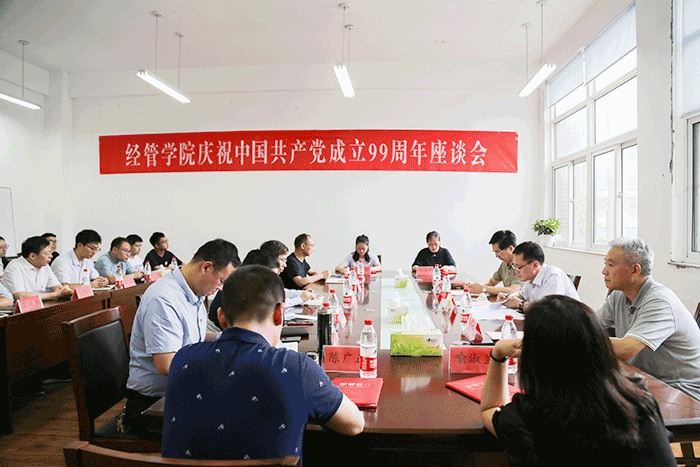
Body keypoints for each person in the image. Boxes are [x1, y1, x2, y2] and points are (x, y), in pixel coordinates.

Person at [161, 265, 364, 460]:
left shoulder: (182, 359)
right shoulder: (296, 367)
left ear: (221, 317)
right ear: (278, 313)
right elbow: (354, 424)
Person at [480, 295, 675, 466]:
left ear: (534, 357)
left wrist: (498, 353)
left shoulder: (530, 417)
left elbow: (490, 409)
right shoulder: (639, 398)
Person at [124, 239, 239, 432]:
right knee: (231, 425)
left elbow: (193, 335)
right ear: (206, 267)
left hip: (180, 392)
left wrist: (228, 339)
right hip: (151, 406)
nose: (220, 288)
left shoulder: (194, 292)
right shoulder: (164, 298)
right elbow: (167, 365)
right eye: (221, 281)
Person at [598, 238, 700, 402]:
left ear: (635, 270)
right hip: (645, 380)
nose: (604, 271)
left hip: (681, 392)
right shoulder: (619, 295)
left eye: (611, 265)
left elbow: (626, 348)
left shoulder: (660, 301)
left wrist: (578, 338)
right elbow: (591, 326)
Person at [208, 249, 320, 330]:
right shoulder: (241, 285)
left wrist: (301, 294)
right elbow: (267, 306)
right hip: (216, 331)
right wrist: (299, 299)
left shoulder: (251, 280)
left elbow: (278, 293)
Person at [500, 241, 579, 312]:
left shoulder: (554, 276)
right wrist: (508, 297)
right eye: (514, 267)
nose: (516, 271)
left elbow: (548, 310)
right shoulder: (531, 277)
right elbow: (522, 295)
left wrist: (521, 304)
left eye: (519, 267)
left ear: (535, 265)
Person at [1, 236, 72, 300]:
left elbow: (56, 287)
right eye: (47, 253)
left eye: (51, 253)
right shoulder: (14, 267)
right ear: (32, 256)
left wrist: (64, 291)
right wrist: (54, 295)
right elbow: (20, 296)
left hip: (39, 305)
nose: (51, 256)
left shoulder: (44, 265)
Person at [260, 240, 320, 306]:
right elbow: (273, 304)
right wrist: (300, 299)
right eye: (282, 260)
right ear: (271, 260)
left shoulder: (271, 276)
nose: (285, 265)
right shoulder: (260, 278)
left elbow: (281, 292)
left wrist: (302, 293)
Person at [467, 230, 523, 296]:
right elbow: (492, 281)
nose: (496, 256)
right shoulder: (505, 264)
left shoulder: (521, 265)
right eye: (495, 252)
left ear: (510, 248)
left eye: (498, 252)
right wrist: (476, 286)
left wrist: (484, 288)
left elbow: (513, 290)